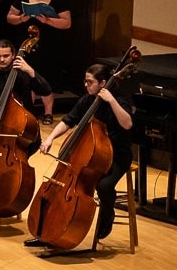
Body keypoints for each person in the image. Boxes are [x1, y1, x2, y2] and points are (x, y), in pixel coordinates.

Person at [28, 63, 135, 252]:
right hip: (92, 159)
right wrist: (50, 138)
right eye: (85, 81)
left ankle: (107, 214)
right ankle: (46, 230)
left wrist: (111, 101)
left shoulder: (120, 100)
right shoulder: (88, 100)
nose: (86, 85)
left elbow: (127, 124)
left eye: (90, 82)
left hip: (118, 157)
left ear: (103, 83)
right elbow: (68, 120)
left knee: (104, 186)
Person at [0, 39, 55, 118]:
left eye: (6, 56)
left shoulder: (23, 73)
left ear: (13, 55)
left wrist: (30, 71)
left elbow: (46, 91)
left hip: (21, 119)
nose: (2, 60)